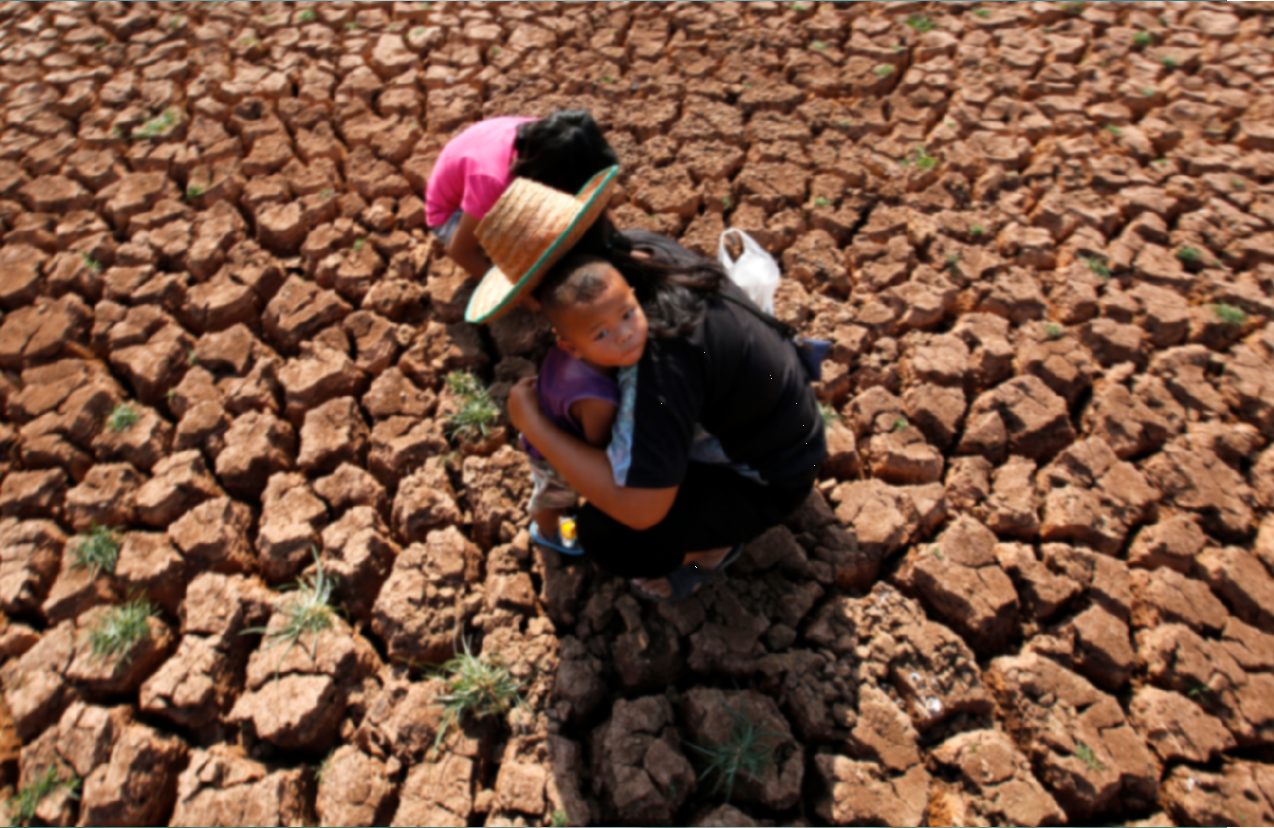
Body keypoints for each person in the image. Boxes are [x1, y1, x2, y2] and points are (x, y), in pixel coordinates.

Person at [465, 175, 826, 601]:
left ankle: (705, 549)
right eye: (599, 332)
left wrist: (537, 427)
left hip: (772, 471)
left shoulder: (650, 357)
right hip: (781, 413)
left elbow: (639, 507)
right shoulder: (638, 251)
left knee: (608, 536)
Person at [519, 258, 647, 553]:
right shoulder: (597, 399)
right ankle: (548, 530)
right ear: (570, 347)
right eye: (602, 334)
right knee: (552, 499)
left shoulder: (576, 351)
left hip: (546, 422)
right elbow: (598, 450)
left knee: (556, 496)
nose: (624, 334)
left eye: (627, 313)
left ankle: (557, 520)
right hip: (554, 459)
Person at [424, 110, 619, 279]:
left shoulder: (551, 138)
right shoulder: (494, 181)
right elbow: (460, 252)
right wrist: (523, 300)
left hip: (478, 174)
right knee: (538, 256)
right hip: (451, 215)